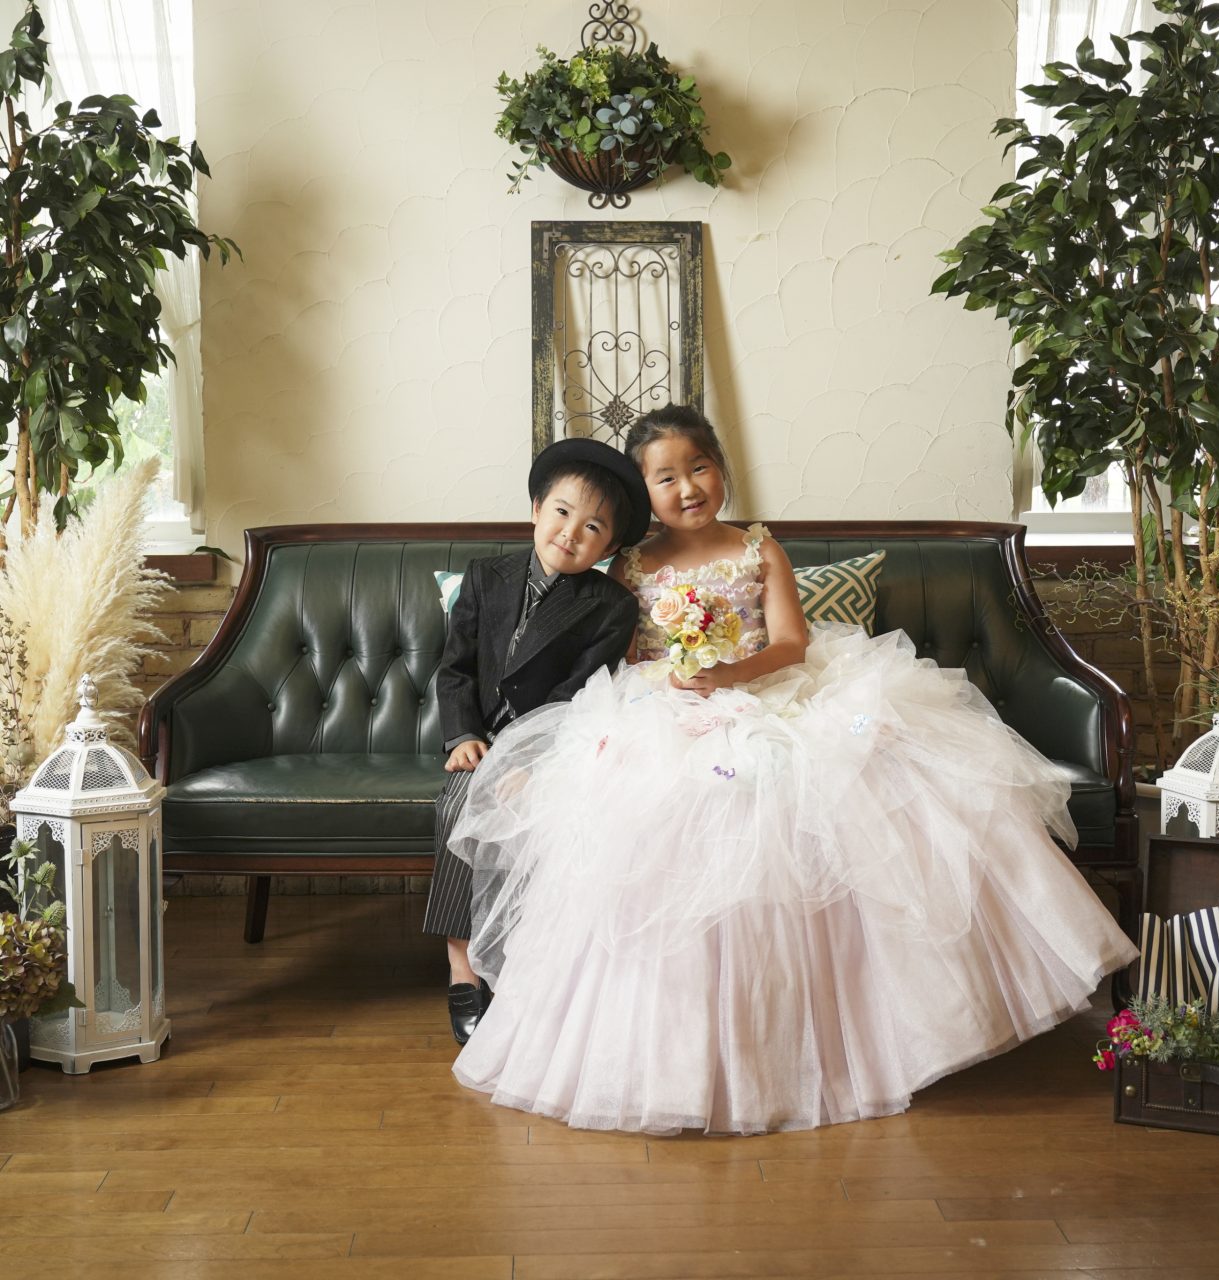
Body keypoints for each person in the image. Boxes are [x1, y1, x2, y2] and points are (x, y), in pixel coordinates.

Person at [448, 404, 1138, 1132]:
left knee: (861, 779)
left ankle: (853, 1024)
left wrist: (728, 674)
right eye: (665, 478)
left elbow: (789, 644)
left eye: (699, 468)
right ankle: (674, 1039)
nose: (687, 487)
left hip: (772, 692)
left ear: (722, 469)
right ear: (641, 495)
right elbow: (619, 652)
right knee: (655, 805)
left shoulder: (759, 547)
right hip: (663, 704)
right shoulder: (631, 564)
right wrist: (673, 681)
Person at [423, 437, 650, 1045]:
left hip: (550, 742)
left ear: (611, 547)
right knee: (461, 801)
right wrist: (463, 734)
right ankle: (463, 965)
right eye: (562, 512)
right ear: (535, 509)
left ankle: (523, 966)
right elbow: (455, 668)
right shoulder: (486, 576)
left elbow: (579, 694)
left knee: (532, 810)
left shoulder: (611, 606)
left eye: (593, 526)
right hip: (479, 738)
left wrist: (531, 758)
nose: (571, 533)